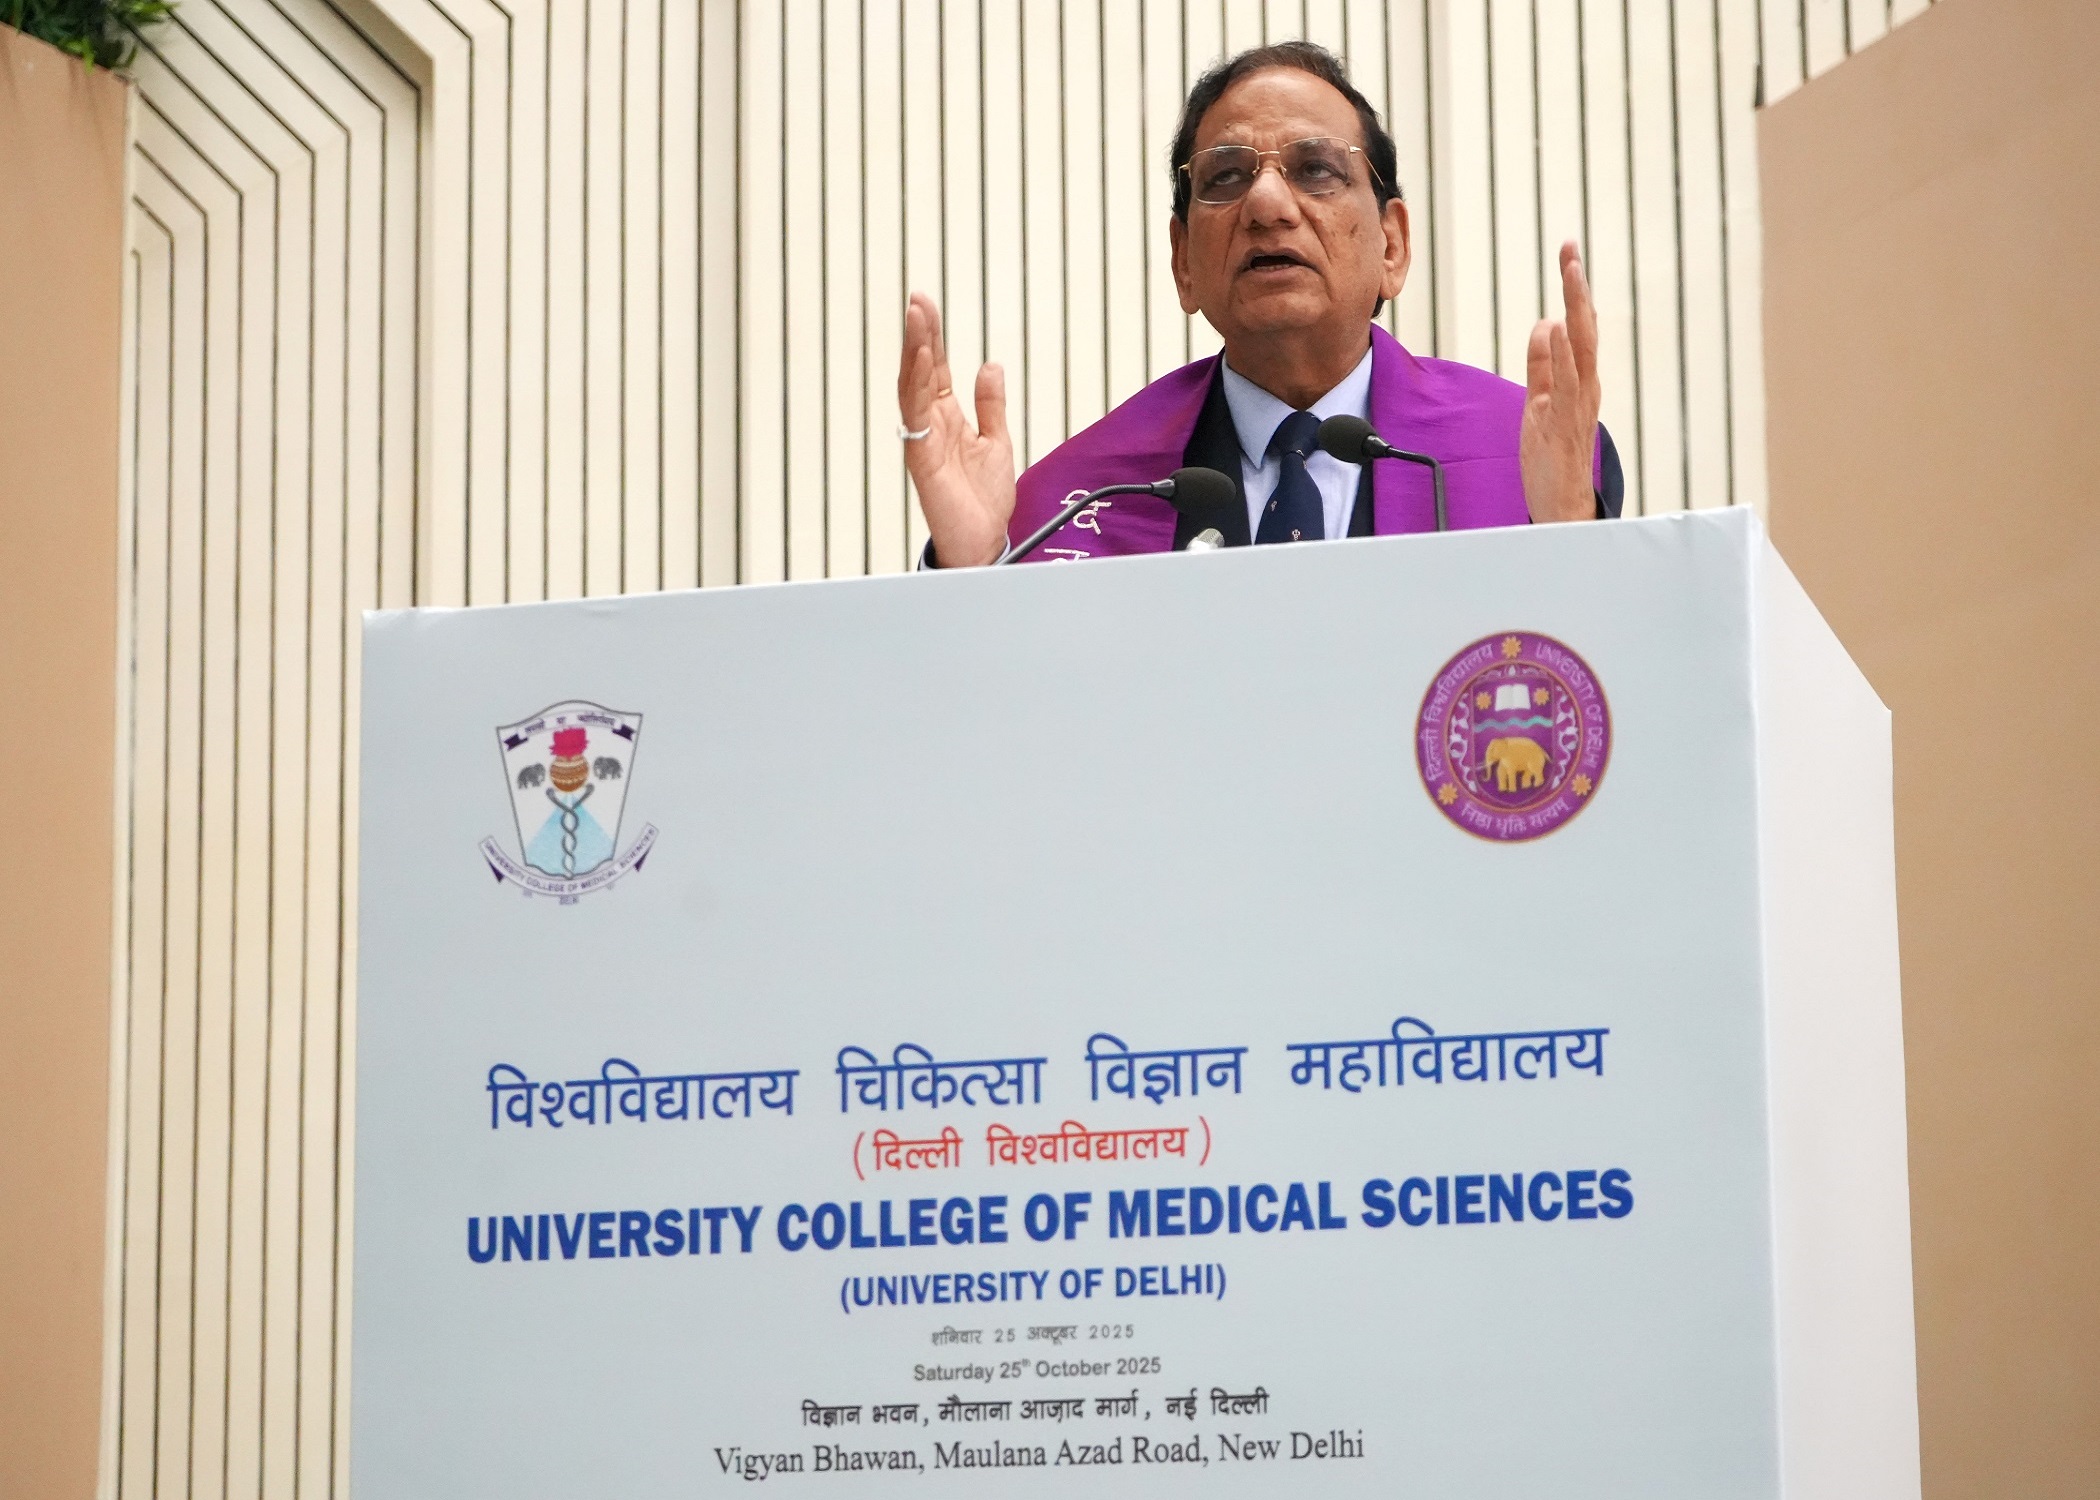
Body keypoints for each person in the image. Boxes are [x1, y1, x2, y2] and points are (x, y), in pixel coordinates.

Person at [897, 41, 1621, 568]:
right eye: (1226, 177)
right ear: (1184, 261)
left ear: (1392, 246)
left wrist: (1575, 542)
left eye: (1316, 169)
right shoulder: (1077, 500)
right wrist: (971, 574)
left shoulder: (1526, 455)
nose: (1268, 203)